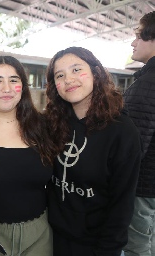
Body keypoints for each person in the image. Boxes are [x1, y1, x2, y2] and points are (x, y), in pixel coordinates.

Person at [45, 46, 141, 256]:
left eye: (77, 70)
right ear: (55, 86)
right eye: (60, 75)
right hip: (51, 239)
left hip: (95, 246)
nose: (69, 79)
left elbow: (122, 205)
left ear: (96, 73)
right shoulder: (52, 124)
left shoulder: (122, 132)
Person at [0, 56, 57, 255]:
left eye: (14, 80)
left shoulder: (44, 126)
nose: (6, 88)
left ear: (23, 87)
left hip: (39, 236)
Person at [123, 11, 155, 256]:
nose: (133, 42)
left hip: (143, 188)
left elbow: (131, 149)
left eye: (139, 36)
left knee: (138, 248)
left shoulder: (146, 84)